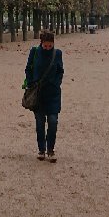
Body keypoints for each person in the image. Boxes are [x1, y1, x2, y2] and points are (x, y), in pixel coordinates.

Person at [24, 29, 64, 162]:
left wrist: (56, 83)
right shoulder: (34, 52)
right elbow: (28, 68)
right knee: (40, 123)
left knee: (53, 122)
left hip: (53, 94)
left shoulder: (57, 53)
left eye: (50, 46)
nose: (48, 48)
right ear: (41, 43)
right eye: (45, 46)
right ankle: (41, 149)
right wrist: (31, 82)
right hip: (39, 93)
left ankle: (50, 150)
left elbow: (60, 71)